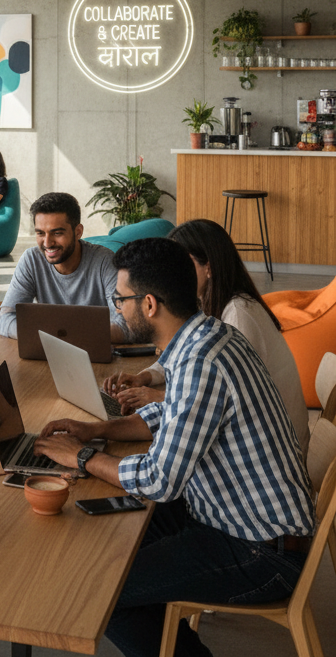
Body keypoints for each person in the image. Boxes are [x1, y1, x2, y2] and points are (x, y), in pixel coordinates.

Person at [34, 237, 313, 657]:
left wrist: (81, 456)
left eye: (120, 298)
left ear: (149, 305)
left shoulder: (201, 362)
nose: (117, 308)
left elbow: (158, 480)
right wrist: (95, 428)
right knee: (105, 542)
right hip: (227, 516)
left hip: (260, 552)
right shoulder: (207, 337)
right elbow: (169, 417)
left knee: (104, 592)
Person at [104, 218, 308, 451]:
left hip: (276, 444)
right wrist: (146, 377)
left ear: (208, 267)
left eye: (182, 264)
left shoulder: (238, 314)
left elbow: (221, 392)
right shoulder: (210, 302)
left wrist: (156, 396)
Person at [0, 191, 130, 342]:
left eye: (57, 233)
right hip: (51, 353)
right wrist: (49, 338)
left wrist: (67, 337)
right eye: (40, 233)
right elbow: (5, 319)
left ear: (78, 232)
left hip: (98, 357)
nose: (47, 243)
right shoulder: (31, 260)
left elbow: (127, 323)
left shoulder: (104, 261)